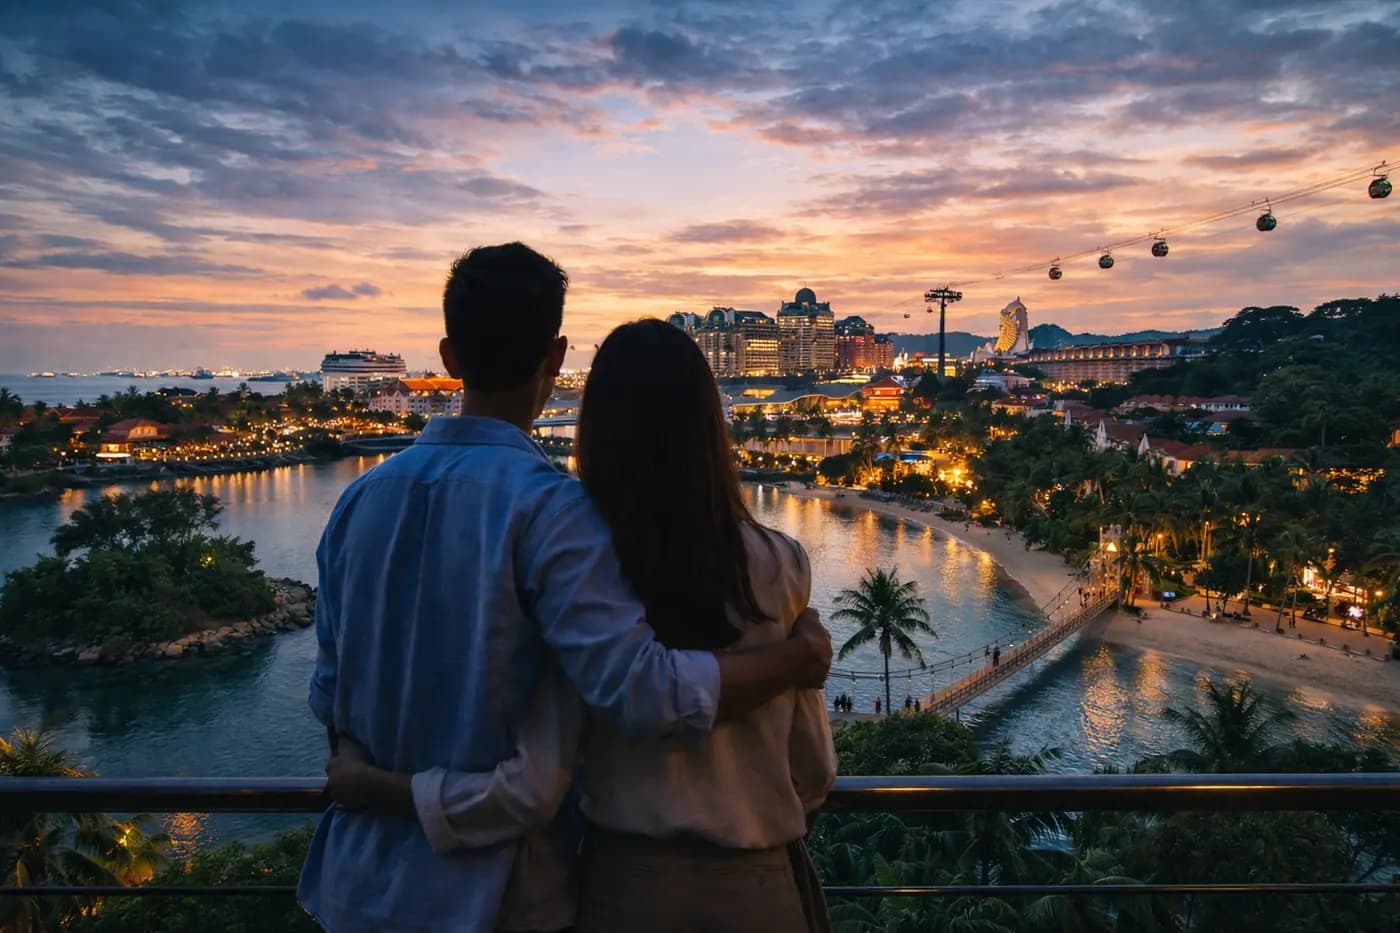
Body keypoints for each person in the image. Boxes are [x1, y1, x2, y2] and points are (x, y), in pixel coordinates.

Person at [301, 247, 832, 932]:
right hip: (495, 901)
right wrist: (796, 659)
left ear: (448, 354)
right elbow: (634, 698)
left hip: (356, 894)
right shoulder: (552, 516)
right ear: (555, 357)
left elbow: (330, 699)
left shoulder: (356, 503)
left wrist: (371, 782)